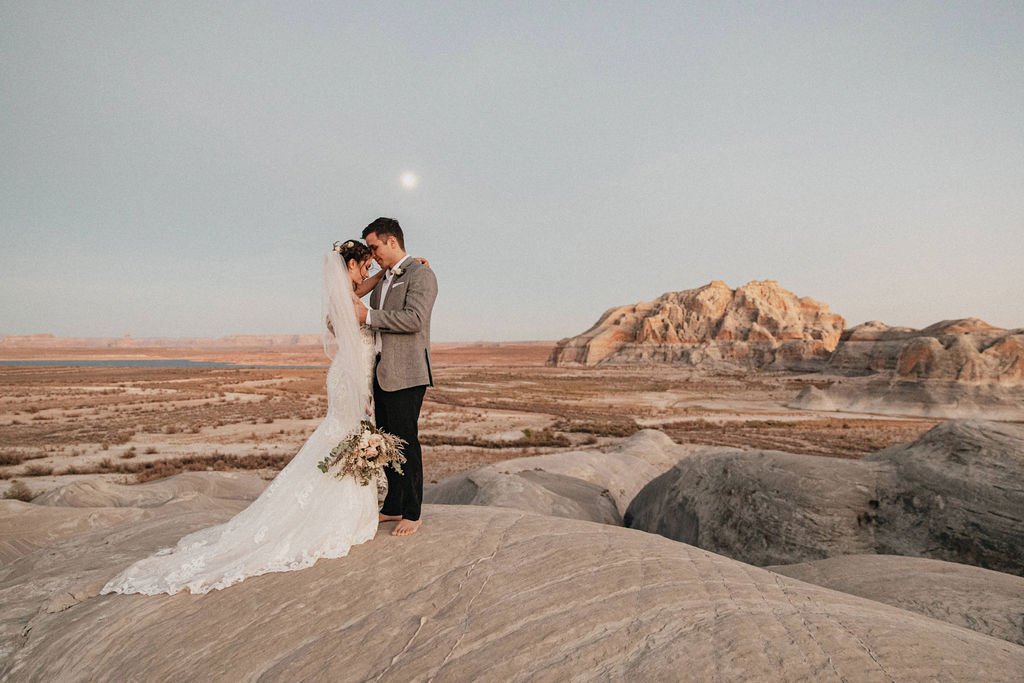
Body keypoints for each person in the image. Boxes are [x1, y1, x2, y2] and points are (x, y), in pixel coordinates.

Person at [101, 240, 383, 595]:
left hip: (345, 372)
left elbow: (359, 290)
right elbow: (360, 305)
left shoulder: (343, 293)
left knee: (340, 437)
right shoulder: (348, 300)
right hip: (351, 377)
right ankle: (341, 512)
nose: (368, 273)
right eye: (366, 266)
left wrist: (385, 271)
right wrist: (366, 395)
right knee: (347, 435)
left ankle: (343, 504)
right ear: (353, 265)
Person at [358, 217, 438, 537]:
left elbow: (415, 319)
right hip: (381, 370)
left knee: (406, 442)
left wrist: (367, 315)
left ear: (393, 242)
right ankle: (392, 507)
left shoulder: (422, 274)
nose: (373, 254)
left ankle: (413, 512)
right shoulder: (383, 280)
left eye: (375, 247)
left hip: (407, 372)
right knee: (385, 442)